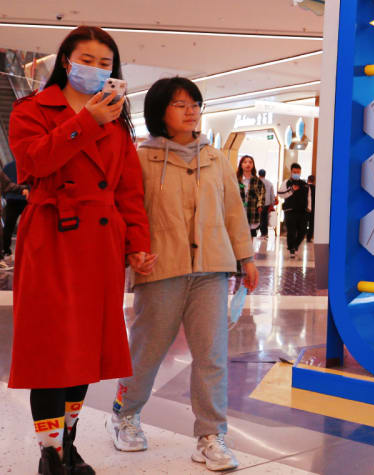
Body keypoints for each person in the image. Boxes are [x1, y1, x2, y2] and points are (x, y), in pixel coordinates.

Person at [7, 25, 154, 475]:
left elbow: (128, 189)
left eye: (105, 63)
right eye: (86, 60)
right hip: (51, 238)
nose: (95, 69)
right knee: (53, 350)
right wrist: (87, 121)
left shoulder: (117, 121)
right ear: (65, 61)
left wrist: (137, 244)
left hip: (100, 243)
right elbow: (32, 162)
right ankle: (49, 453)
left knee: (86, 351)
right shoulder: (32, 109)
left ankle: (69, 445)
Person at [106, 77, 259, 471]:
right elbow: (129, 210)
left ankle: (211, 435)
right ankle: (124, 414)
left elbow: (233, 212)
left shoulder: (215, 158)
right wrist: (132, 252)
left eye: (195, 103)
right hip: (161, 267)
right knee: (146, 351)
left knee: (212, 356)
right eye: (180, 104)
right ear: (160, 111)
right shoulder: (141, 158)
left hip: (211, 269)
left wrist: (246, 258)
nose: (191, 111)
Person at [1, 159, 29, 269]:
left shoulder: (7, 167)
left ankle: (6, 251)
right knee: (29, 227)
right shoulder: (27, 166)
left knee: (7, 228)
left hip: (12, 199)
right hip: (24, 199)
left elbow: (6, 186)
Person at [280, 163, 309, 256]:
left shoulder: (304, 184)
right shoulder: (286, 182)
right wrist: (291, 190)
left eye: (298, 172)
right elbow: (280, 194)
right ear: (291, 172)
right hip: (290, 210)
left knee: (303, 231)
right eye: (294, 172)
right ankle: (291, 248)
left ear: (300, 172)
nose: (296, 174)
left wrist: (309, 208)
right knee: (291, 231)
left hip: (302, 211)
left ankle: (295, 245)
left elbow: (309, 197)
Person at [235, 155, 265, 238]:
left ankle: (249, 247)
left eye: (250, 162)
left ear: (253, 165)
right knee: (238, 236)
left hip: (252, 212)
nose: (248, 164)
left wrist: (260, 205)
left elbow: (261, 195)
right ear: (241, 165)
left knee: (250, 236)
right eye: (245, 162)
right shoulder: (235, 179)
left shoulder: (257, 181)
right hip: (238, 212)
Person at [258, 169, 275, 237]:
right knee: (264, 218)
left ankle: (261, 233)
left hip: (258, 203)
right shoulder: (269, 183)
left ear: (259, 174)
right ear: (265, 174)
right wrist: (272, 204)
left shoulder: (256, 182)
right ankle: (265, 233)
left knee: (259, 218)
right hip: (267, 203)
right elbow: (272, 194)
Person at [305, 174, 316, 242]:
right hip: (313, 208)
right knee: (311, 223)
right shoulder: (315, 188)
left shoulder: (305, 187)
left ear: (308, 179)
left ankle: (301, 235)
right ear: (314, 180)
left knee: (304, 222)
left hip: (305, 208)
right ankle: (309, 238)